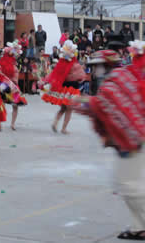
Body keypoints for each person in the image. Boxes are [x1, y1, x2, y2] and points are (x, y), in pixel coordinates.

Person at [71, 42, 145, 240]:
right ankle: (139, 227)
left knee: (130, 186)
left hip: (132, 140)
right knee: (129, 184)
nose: (94, 70)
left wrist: (79, 102)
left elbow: (101, 104)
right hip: (133, 138)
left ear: (106, 65)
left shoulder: (113, 84)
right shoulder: (122, 77)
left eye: (97, 66)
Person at [40, 40, 86, 134]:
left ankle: (55, 123)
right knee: (69, 109)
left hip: (64, 88)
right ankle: (64, 128)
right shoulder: (75, 65)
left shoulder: (61, 64)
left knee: (63, 108)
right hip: (73, 89)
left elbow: (54, 75)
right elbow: (81, 77)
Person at [0, 41, 28, 131]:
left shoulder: (12, 64)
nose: (16, 56)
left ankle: (5, 123)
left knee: (8, 105)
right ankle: (6, 123)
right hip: (7, 85)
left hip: (10, 85)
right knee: (10, 105)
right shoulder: (3, 64)